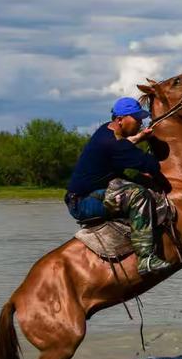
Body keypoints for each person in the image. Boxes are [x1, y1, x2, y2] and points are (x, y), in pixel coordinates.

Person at [65, 97, 172, 275]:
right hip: (84, 202)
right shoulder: (115, 145)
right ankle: (145, 258)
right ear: (120, 119)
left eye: (141, 118)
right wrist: (151, 141)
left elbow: (122, 144)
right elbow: (151, 166)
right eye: (135, 118)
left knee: (135, 183)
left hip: (87, 194)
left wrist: (138, 137)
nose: (140, 122)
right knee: (139, 194)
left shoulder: (106, 129)